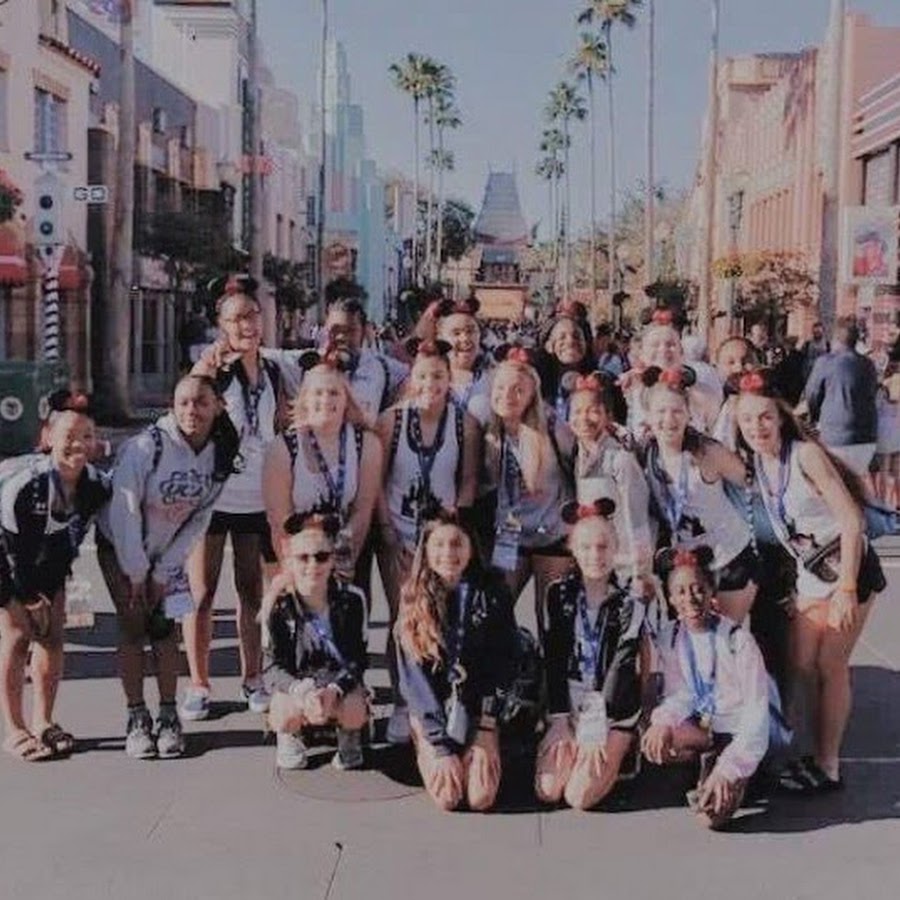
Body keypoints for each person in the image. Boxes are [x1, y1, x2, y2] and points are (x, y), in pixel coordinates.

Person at [735, 369, 885, 793]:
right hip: (810, 573)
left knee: (829, 665)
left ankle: (828, 764)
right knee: (800, 663)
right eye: (747, 420)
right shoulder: (758, 463)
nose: (757, 427)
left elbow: (852, 521)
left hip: (847, 569)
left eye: (765, 417)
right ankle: (806, 749)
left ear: (781, 416)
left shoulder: (805, 456)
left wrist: (847, 589)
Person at [98, 375, 239, 759]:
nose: (192, 410)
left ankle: (167, 714)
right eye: (183, 403)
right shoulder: (146, 447)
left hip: (166, 552)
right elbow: (125, 511)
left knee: (164, 631)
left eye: (201, 402)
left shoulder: (220, 454)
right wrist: (137, 571)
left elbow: (199, 519)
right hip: (121, 548)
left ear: (218, 407)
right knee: (133, 627)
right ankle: (136, 715)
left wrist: (162, 571)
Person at [185, 276, 291, 721]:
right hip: (213, 495)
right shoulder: (212, 370)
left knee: (251, 592)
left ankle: (253, 678)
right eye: (236, 319)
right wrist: (203, 375)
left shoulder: (272, 370)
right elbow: (187, 415)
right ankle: (198, 684)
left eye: (252, 315)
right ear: (221, 325)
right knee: (201, 593)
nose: (246, 325)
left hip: (254, 497)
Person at [376, 339, 479, 744]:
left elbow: (468, 481)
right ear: (410, 379)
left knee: (443, 616)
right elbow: (377, 481)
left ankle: (440, 699)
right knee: (403, 618)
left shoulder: (463, 423)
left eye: (438, 376)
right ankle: (403, 702)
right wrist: (388, 533)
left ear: (449, 379)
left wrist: (455, 521)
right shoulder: (391, 421)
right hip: (401, 534)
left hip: (440, 541)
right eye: (422, 376)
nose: (430, 384)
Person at [0, 394, 110, 761]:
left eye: (87, 436)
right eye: (69, 436)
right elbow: (13, 555)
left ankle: (44, 721)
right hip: (5, 552)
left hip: (47, 556)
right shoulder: (23, 486)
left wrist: (49, 595)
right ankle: (15, 729)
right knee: (18, 635)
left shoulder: (96, 485)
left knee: (52, 635)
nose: (78, 444)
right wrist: (32, 599)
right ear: (48, 438)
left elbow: (71, 541)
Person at [395, 513, 517, 811]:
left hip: (476, 710)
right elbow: (413, 680)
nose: (448, 552)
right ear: (425, 551)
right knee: (448, 798)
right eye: (439, 545)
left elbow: (503, 663)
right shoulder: (412, 598)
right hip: (432, 709)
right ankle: (422, 741)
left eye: (457, 543)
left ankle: (480, 746)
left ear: (471, 548)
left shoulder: (493, 592)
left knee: (481, 798)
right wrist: (439, 746)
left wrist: (486, 726)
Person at [641, 546, 770, 829]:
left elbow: (757, 715)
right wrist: (663, 721)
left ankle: (739, 776)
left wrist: (729, 768)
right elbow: (680, 693)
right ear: (671, 598)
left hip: (737, 737)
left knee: (709, 819)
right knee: (656, 735)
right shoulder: (671, 636)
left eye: (699, 589)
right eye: (681, 592)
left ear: (712, 591)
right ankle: (703, 763)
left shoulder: (737, 641)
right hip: (704, 729)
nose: (690, 599)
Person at [535, 500, 646, 810]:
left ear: (615, 549)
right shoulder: (558, 594)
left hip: (610, 710)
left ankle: (625, 744)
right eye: (585, 547)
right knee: (548, 791)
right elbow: (553, 658)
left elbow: (622, 665)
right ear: (573, 549)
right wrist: (558, 719)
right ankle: (569, 744)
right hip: (571, 703)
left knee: (578, 797)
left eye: (603, 547)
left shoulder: (629, 602)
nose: (595, 555)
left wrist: (598, 728)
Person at [640, 366, 758, 623]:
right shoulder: (646, 454)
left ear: (688, 414)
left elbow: (752, 482)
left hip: (728, 556)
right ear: (648, 416)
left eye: (677, 411)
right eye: (661, 411)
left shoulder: (707, 452)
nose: (669, 419)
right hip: (685, 567)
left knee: (726, 635)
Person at [262, 510, 369, 771]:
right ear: (289, 560)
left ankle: (349, 732)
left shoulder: (353, 600)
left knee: (354, 707)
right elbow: (272, 667)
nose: (313, 565)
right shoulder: (277, 604)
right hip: (299, 685)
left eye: (321, 557)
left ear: (332, 559)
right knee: (283, 712)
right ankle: (291, 734)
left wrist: (335, 689)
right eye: (303, 557)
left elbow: (358, 659)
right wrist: (302, 691)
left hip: (336, 683)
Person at [262, 354, 382, 581]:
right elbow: (279, 522)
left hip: (346, 549)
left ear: (346, 399)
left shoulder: (367, 444)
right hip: (298, 552)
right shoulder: (282, 448)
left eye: (334, 392)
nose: (326, 399)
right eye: (318, 393)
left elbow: (363, 510)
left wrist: (342, 560)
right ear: (304, 399)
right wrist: (299, 571)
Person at [484, 346, 575, 634]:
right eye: (501, 388)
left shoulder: (551, 425)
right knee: (496, 611)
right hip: (511, 533)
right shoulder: (489, 431)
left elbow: (579, 466)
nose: (507, 396)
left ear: (531, 394)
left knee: (550, 618)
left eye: (517, 390)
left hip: (553, 531)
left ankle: (550, 665)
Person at [568, 372, 653, 590]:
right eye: (577, 412)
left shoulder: (620, 459)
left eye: (593, 411)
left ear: (608, 415)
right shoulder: (578, 455)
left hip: (624, 564)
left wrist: (639, 573)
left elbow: (638, 518)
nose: (584, 418)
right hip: (594, 560)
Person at [803, 317, 879, 477]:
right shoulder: (868, 364)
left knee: (834, 484)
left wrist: (813, 418)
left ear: (835, 339)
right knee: (855, 482)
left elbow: (812, 394)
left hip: (836, 435)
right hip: (866, 436)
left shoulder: (825, 362)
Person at [536, 300, 596, 422]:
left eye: (576, 336)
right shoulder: (534, 385)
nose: (570, 341)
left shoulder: (603, 383)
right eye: (562, 337)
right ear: (548, 346)